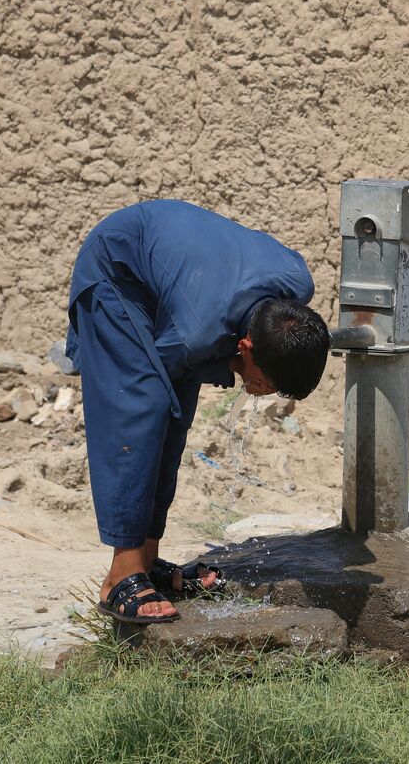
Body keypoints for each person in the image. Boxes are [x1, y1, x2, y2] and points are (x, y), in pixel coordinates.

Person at [65, 200, 330, 624]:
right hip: (116, 269)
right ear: (245, 346)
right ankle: (121, 575)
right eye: (265, 382)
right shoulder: (195, 334)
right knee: (144, 407)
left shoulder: (296, 284)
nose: (263, 392)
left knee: (176, 410)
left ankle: (147, 562)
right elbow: (168, 373)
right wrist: (229, 367)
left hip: (177, 273)